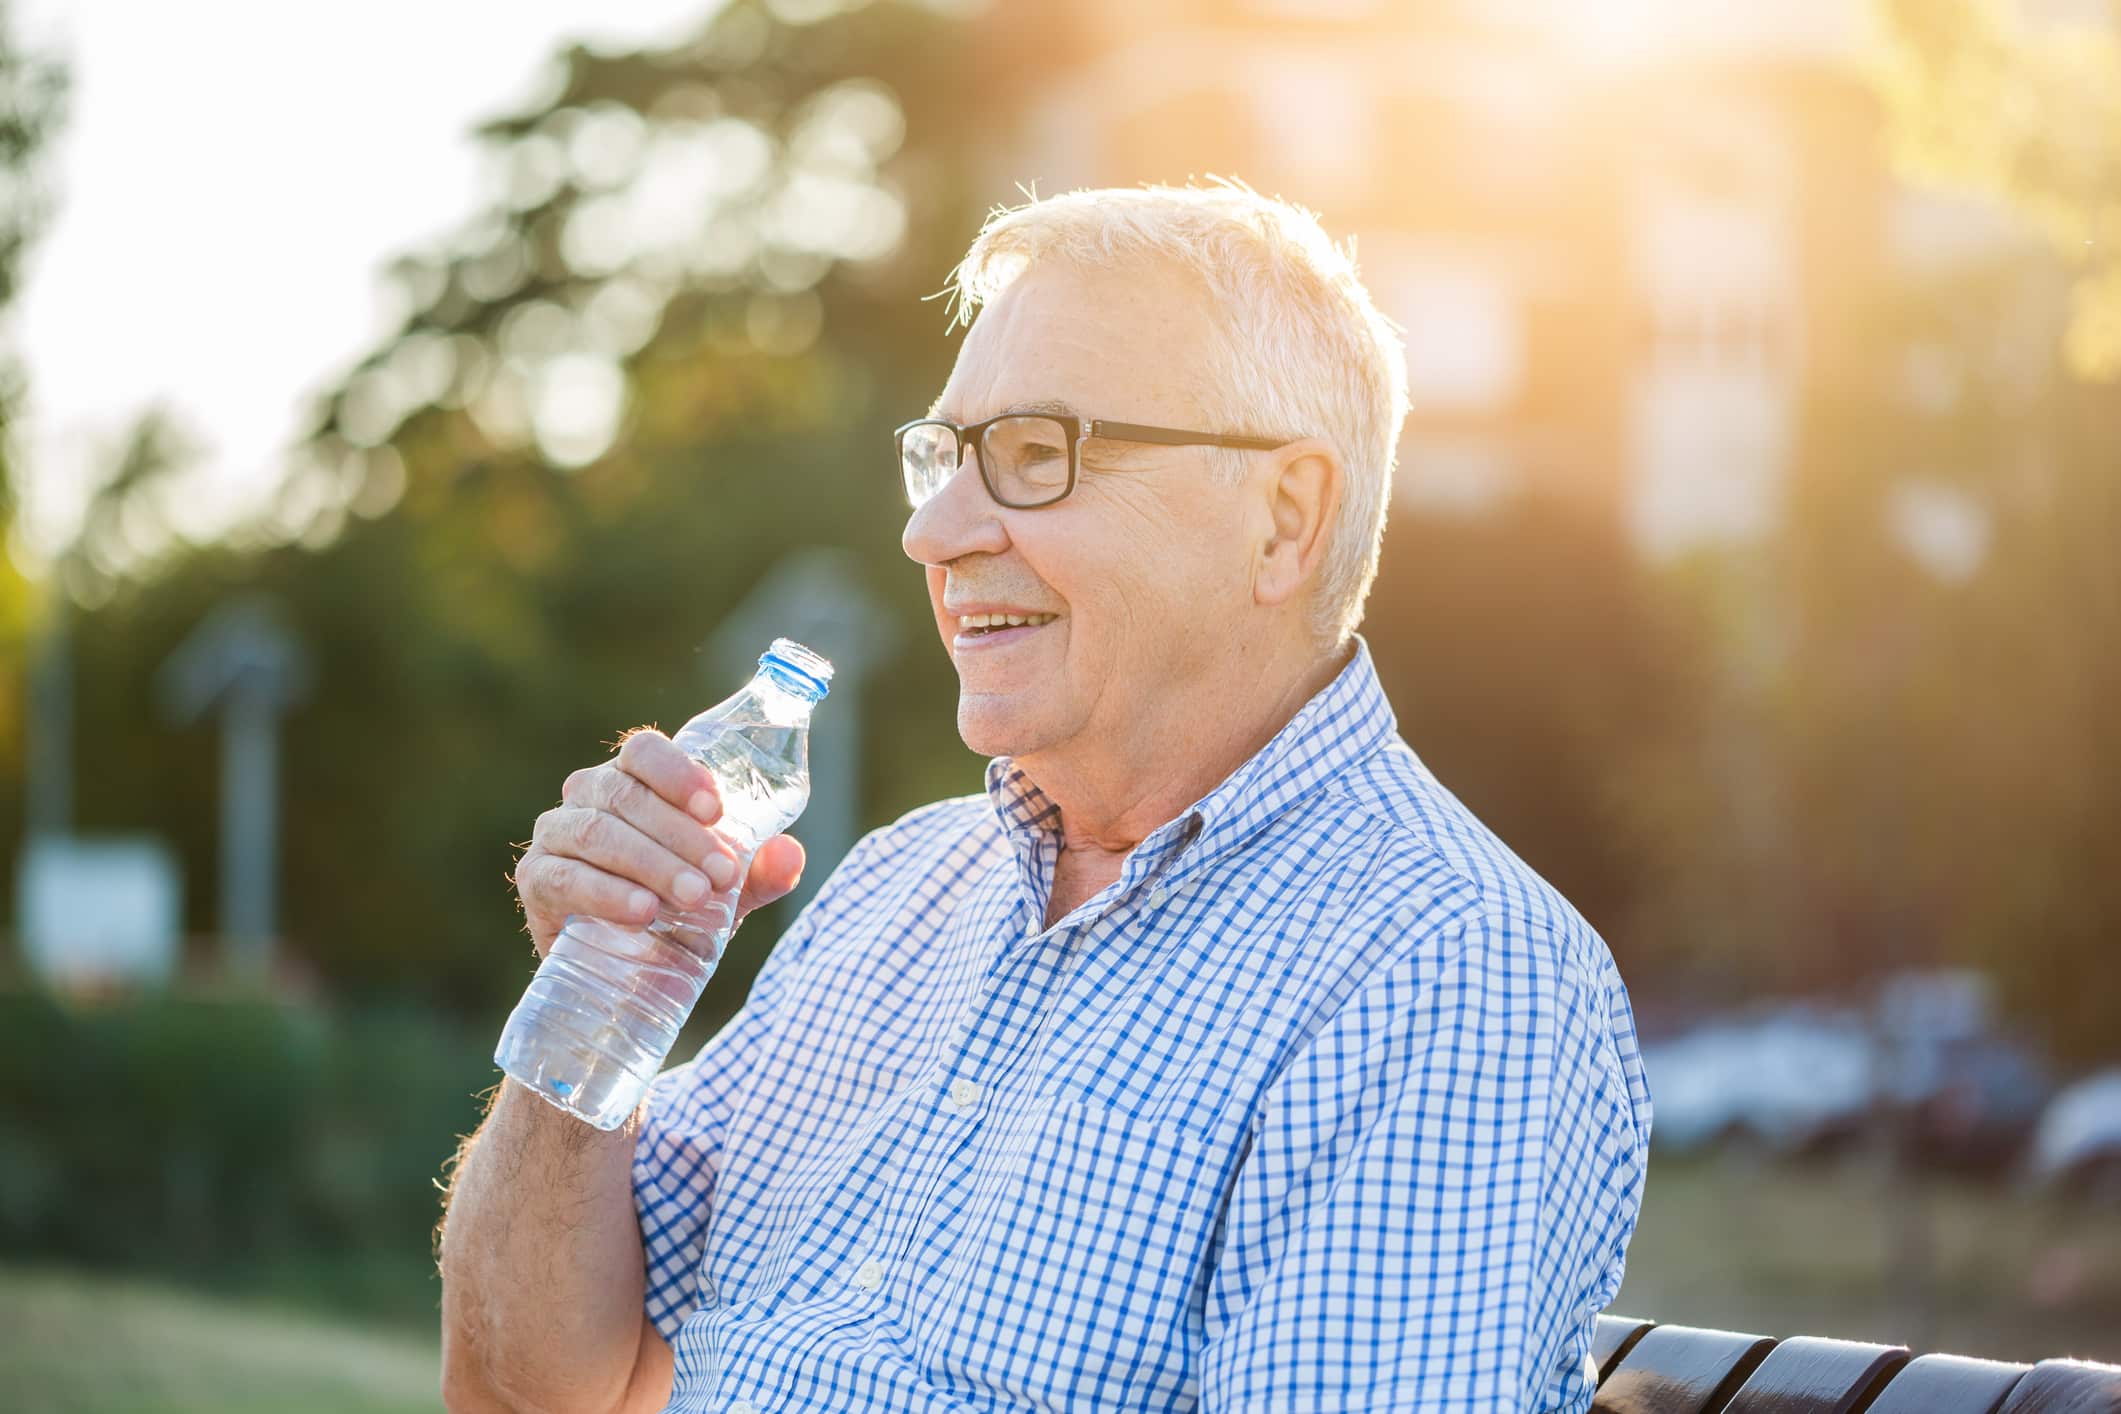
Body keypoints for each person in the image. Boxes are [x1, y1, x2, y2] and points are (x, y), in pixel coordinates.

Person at [438, 182, 1653, 1414]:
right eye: (942, 458)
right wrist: (596, 999)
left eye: (1035, 455)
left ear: (1285, 519)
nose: (936, 532)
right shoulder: (899, 890)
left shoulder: (1449, 968)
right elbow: (527, 1391)